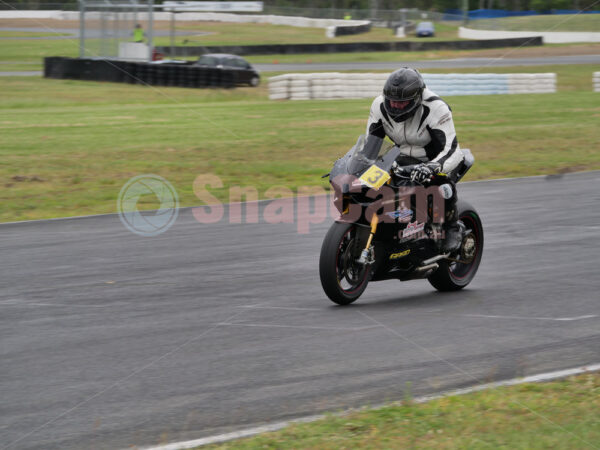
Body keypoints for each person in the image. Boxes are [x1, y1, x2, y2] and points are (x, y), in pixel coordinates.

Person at [366, 67, 466, 252]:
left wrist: (433, 167)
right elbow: (370, 145)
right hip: (401, 157)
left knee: (441, 185)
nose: (395, 106)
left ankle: (450, 227)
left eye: (401, 103)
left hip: (434, 159)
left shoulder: (436, 108)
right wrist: (360, 162)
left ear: (417, 98)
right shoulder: (379, 106)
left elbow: (452, 150)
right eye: (392, 101)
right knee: (373, 183)